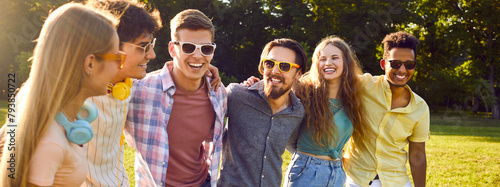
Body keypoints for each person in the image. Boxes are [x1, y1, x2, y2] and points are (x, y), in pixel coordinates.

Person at [0, 3, 121, 186]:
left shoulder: (61, 122)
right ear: (90, 64)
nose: (119, 67)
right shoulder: (51, 142)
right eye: (117, 58)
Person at [124, 9, 226, 187]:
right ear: (172, 48)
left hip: (202, 183)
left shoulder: (219, 94)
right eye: (188, 47)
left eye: (206, 49)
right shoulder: (139, 90)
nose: (197, 55)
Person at [83, 0, 161, 186]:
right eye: (143, 46)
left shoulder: (128, 87)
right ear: (111, 45)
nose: (151, 55)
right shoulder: (66, 89)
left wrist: (202, 70)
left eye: (151, 45)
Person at [344, 31, 430, 187]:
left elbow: (417, 155)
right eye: (396, 63)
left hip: (396, 181)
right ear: (384, 64)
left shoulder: (420, 108)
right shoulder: (363, 86)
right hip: (357, 178)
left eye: (409, 64)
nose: (402, 70)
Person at [218, 38, 307, 187]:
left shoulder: (298, 112)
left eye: (284, 66)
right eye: (270, 64)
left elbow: (298, 147)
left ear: (298, 73)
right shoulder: (236, 95)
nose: (275, 71)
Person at [283, 36, 365, 186]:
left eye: (334, 58)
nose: (328, 63)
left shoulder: (353, 97)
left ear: (345, 62)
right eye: (322, 59)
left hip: (337, 172)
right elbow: (276, 85)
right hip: (306, 171)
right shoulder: (304, 91)